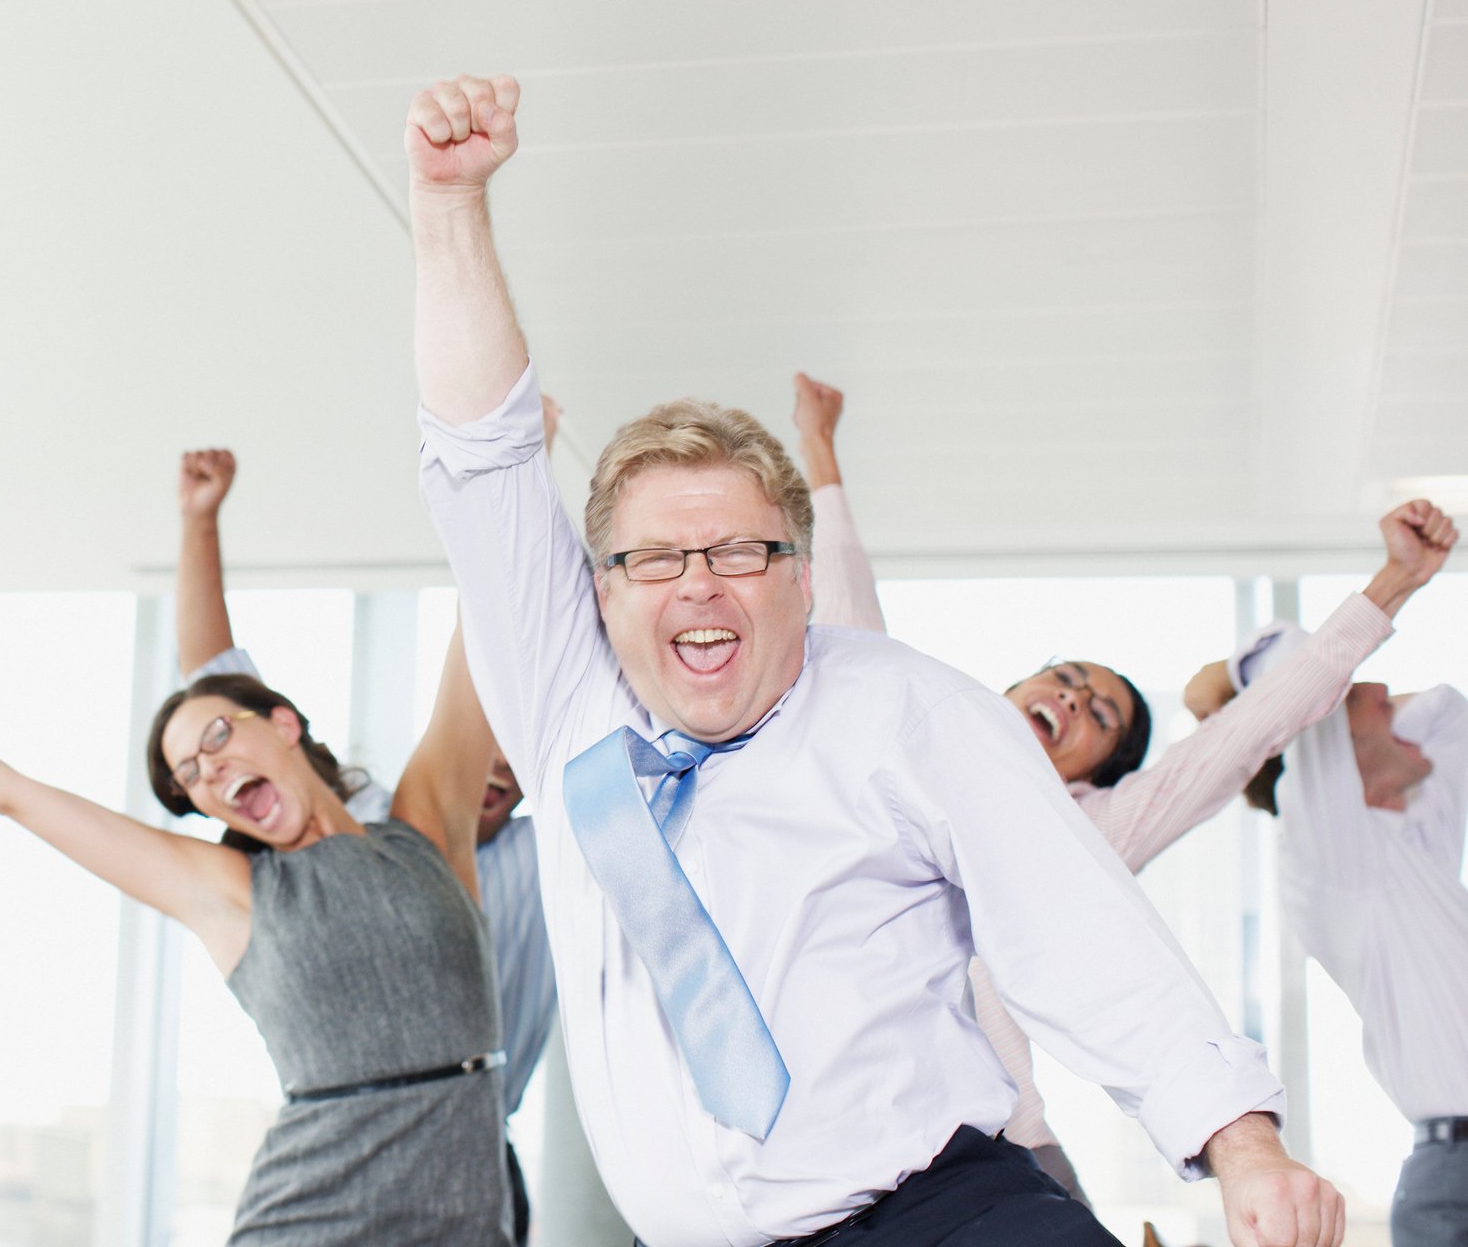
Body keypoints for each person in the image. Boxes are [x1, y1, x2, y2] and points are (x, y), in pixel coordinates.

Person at [406, 71, 1344, 1247]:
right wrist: (448, 209)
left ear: (801, 578)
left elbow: (1076, 930)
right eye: (657, 558)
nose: (697, 582)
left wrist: (1240, 1144)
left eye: (739, 552)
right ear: (601, 588)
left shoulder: (911, 711)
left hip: (940, 1216)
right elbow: (482, 456)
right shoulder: (565, 712)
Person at [791, 372, 1454, 1205]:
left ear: (1090, 776)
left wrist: (1395, 582)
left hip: (1000, 1154)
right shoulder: (902, 755)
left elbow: (1248, 729)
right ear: (1016, 684)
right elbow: (850, 619)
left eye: (1095, 712)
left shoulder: (1083, 829)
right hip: (841, 1155)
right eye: (1064, 678)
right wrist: (819, 447)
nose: (1069, 697)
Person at [0, 597, 516, 1245]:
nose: (209, 771)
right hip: (314, 1217)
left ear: (284, 723)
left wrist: (512, 452)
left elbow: (478, 624)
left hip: (468, 1207)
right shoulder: (233, 890)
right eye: (190, 775)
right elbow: (16, 795)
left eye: (218, 737)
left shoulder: (425, 826)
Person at [172, 444, 556, 1240]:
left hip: (477, 1142)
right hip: (356, 1135)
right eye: (484, 746)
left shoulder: (549, 856)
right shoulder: (368, 825)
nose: (495, 765)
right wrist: (198, 521)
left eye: (515, 757)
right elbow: (212, 693)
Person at [1204, 503, 1464, 1247]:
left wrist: (1365, 721)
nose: (1388, 695)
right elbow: (1291, 657)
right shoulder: (1334, 861)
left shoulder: (1410, 857)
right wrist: (1233, 686)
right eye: (1364, 697)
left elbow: (1453, 714)